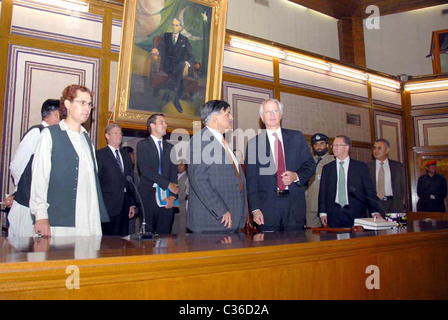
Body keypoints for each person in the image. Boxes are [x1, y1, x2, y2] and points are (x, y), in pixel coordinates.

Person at [29, 84, 109, 237]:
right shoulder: (50, 135)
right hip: (62, 220)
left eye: (90, 104)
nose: (87, 108)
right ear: (67, 104)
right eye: (82, 103)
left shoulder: (87, 140)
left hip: (89, 220)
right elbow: (40, 177)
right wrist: (41, 215)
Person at [245, 99, 316, 232]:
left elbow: (310, 166)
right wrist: (255, 209)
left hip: (294, 206)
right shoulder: (254, 144)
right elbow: (252, 180)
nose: (272, 114)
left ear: (281, 114)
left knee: (296, 251)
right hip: (267, 209)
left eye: (275, 111)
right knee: (270, 251)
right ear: (262, 117)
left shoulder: (297, 137)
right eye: (268, 112)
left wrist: (296, 176)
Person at [187, 100, 247, 233]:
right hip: (213, 222)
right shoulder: (200, 141)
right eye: (227, 114)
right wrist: (220, 210)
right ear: (215, 118)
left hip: (229, 220)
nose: (231, 117)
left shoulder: (222, 142)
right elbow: (199, 180)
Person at [6, 99, 61, 237]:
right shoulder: (36, 133)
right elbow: (16, 166)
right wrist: (20, 190)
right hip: (26, 203)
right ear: (55, 114)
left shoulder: (52, 136)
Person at [318, 135, 381, 228]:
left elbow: (369, 191)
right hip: (334, 213)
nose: (334, 148)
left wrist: (374, 211)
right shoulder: (327, 168)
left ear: (347, 147)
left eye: (337, 145)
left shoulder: (361, 167)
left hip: (356, 212)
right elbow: (323, 191)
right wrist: (322, 212)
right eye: (333, 146)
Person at [136, 114, 178, 234]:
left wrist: (172, 196)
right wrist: (167, 184)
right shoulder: (143, 145)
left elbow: (173, 173)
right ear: (152, 126)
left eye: (165, 122)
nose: (165, 125)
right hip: (148, 196)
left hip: (167, 198)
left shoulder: (170, 147)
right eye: (161, 122)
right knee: (146, 236)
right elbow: (145, 170)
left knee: (165, 235)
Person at [96, 124, 136, 236]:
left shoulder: (126, 155)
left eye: (120, 133)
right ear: (107, 136)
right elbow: (97, 181)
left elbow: (130, 180)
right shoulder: (100, 155)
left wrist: (131, 204)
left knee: (123, 239)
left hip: (124, 204)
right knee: (108, 241)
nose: (119, 136)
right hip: (108, 205)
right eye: (115, 133)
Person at [152, 18, 194, 113]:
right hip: (167, 65)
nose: (175, 27)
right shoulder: (166, 36)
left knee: (182, 65)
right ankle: (176, 97)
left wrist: (187, 64)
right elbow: (160, 47)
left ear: (180, 27)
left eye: (177, 25)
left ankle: (169, 94)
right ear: (171, 26)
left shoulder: (184, 39)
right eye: (173, 25)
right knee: (180, 68)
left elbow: (191, 56)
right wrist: (156, 50)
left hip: (179, 66)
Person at [367, 138, 407, 214]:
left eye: (379, 148)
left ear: (387, 150)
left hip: (393, 204)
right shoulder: (367, 167)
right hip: (374, 204)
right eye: (374, 148)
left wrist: (403, 204)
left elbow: (403, 187)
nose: (376, 151)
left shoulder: (398, 167)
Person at [305, 133, 334, 228]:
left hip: (327, 205)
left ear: (327, 145)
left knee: (331, 235)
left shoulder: (333, 161)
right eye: (316, 144)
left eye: (321, 143)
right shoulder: (309, 161)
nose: (319, 147)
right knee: (312, 236)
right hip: (311, 205)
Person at [172, 161, 189, 234]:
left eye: (181, 165)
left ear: (186, 166)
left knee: (182, 230)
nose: (179, 167)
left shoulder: (187, 177)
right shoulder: (174, 176)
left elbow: (184, 194)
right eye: (178, 165)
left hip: (182, 206)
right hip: (174, 206)